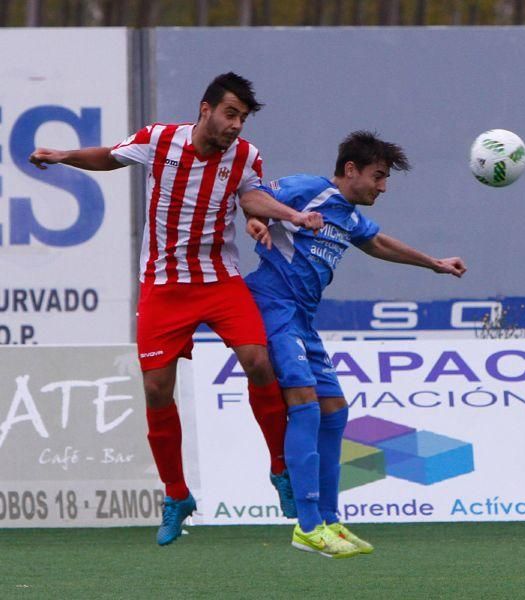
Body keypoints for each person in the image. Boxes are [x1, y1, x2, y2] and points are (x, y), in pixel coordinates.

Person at [29, 72, 323, 546]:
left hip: (219, 279)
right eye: (231, 114)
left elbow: (249, 194)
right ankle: (176, 494)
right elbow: (110, 157)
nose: (236, 126)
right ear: (204, 109)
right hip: (164, 285)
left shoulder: (244, 155)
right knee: (155, 388)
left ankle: (280, 468)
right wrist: (64, 156)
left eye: (242, 119)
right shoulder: (160, 139)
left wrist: (277, 217)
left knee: (258, 360)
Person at [241, 130, 466, 558]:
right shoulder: (312, 189)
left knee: (334, 410)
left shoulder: (348, 216)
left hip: (303, 317)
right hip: (273, 304)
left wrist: (433, 264)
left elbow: (377, 242)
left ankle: (329, 520)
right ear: (350, 170)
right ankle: (306, 525)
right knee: (305, 403)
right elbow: (250, 196)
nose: (383, 187)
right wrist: (276, 218)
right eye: (378, 177)